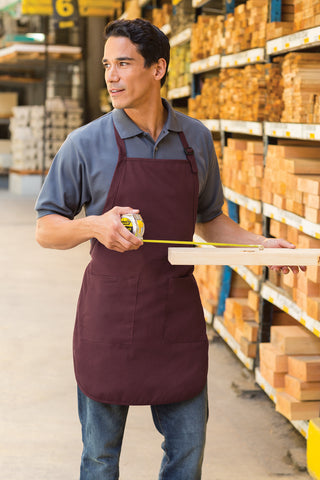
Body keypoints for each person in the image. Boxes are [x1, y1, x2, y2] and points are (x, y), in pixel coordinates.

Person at [35, 18, 304, 480]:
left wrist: (261, 245)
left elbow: (211, 220)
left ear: (158, 68)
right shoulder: (86, 142)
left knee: (187, 451)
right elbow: (47, 227)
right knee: (99, 457)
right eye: (107, 65)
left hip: (174, 314)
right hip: (109, 317)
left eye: (124, 63)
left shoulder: (194, 139)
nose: (112, 76)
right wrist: (94, 226)